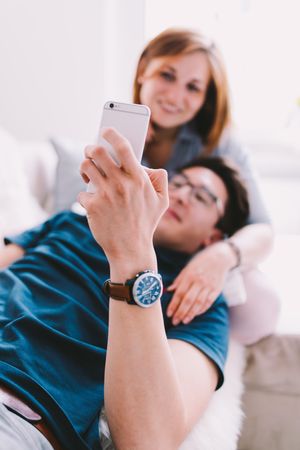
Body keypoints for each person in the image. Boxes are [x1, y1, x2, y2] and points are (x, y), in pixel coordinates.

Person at [0, 128, 249, 450]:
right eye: (180, 183)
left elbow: (150, 440)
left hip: (18, 411)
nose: (184, 195)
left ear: (214, 237)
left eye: (202, 196)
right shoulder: (69, 222)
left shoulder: (198, 299)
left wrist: (131, 253)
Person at [133, 27, 280, 344]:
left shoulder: (221, 144)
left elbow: (263, 229)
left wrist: (219, 257)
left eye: (193, 88)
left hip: (195, 253)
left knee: (260, 305)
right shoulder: (122, 131)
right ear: (144, 69)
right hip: (131, 252)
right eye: (167, 75)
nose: (175, 97)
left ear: (205, 98)